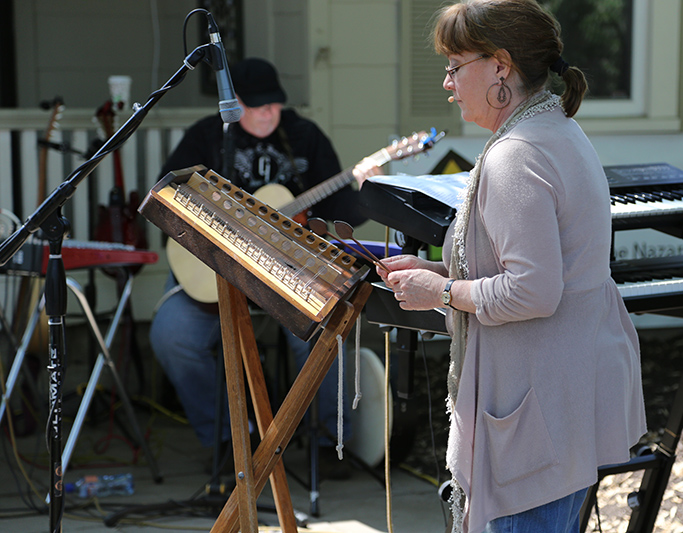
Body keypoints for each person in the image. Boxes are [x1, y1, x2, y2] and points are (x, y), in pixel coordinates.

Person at [377, 2, 647, 532]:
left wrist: (445, 291)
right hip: (560, 411)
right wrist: (438, 269)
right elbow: (525, 262)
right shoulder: (558, 129)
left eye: (456, 65)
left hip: (535, 431)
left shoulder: (515, 155)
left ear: (500, 65)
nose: (448, 81)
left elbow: (533, 290)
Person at [150, 57, 376, 479]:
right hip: (214, 267)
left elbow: (337, 211)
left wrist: (368, 189)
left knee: (324, 336)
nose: (269, 112)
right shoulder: (206, 136)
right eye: (257, 106)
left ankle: (330, 441)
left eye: (274, 104)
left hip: (290, 271)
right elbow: (170, 199)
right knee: (171, 335)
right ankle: (228, 441)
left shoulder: (305, 136)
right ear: (233, 103)